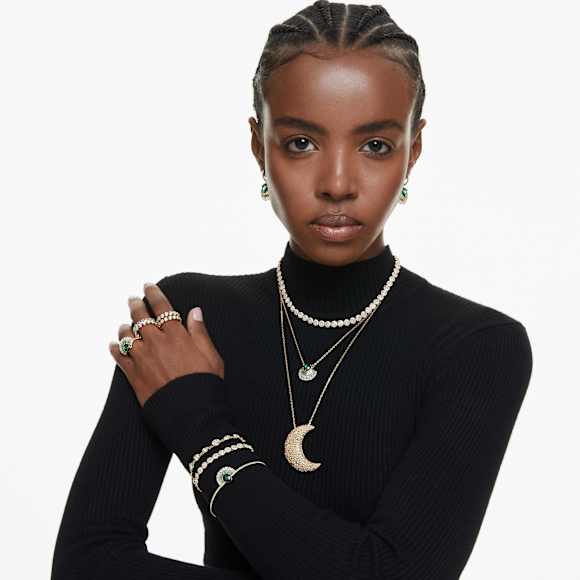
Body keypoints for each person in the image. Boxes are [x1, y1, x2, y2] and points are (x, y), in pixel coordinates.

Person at [50, 2, 533, 579]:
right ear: (259, 145)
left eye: (375, 146)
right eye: (302, 142)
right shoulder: (185, 320)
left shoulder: (477, 347)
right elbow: (84, 565)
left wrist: (202, 428)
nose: (337, 184)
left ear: (414, 149)